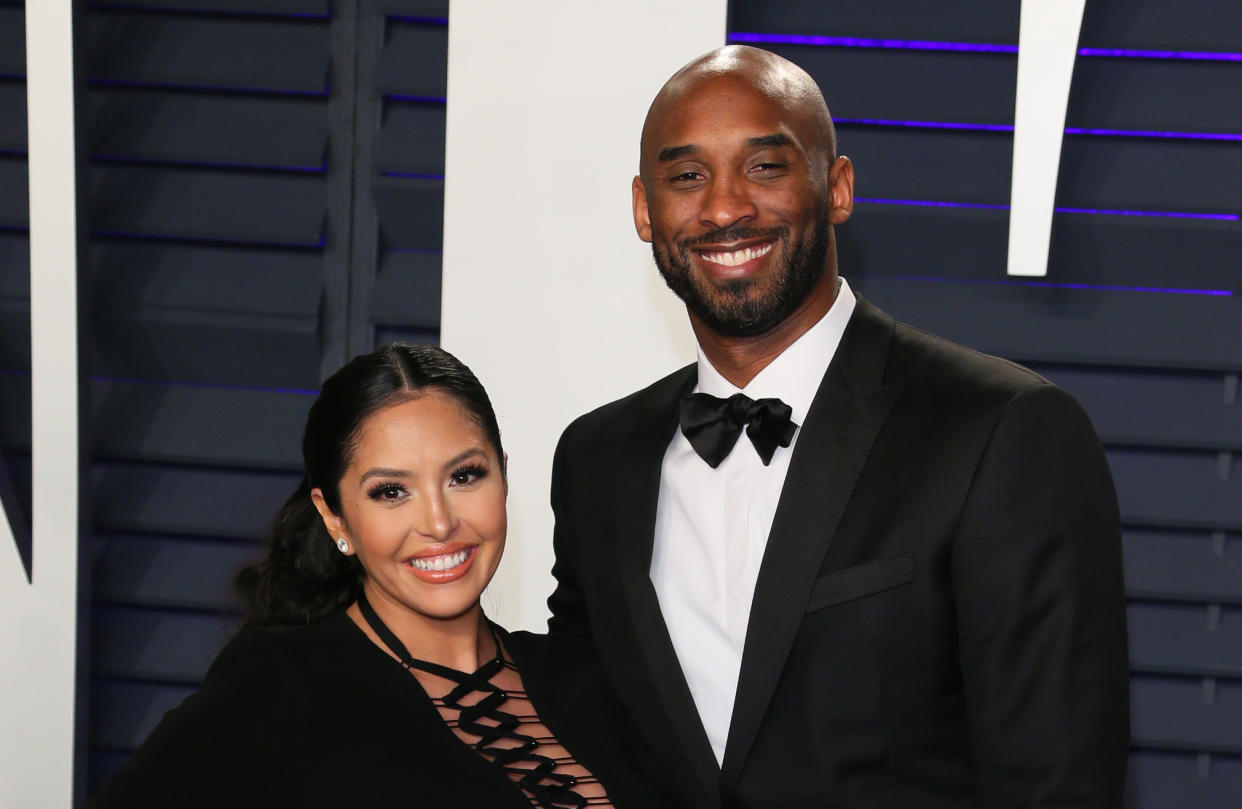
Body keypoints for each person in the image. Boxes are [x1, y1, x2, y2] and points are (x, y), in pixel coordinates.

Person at [547, 45, 1130, 809]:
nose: (724, 208)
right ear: (644, 209)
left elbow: (1056, 787)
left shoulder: (999, 432)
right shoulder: (596, 461)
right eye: (687, 176)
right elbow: (577, 747)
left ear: (838, 187)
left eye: (765, 167)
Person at [89, 344, 668, 809]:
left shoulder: (587, 675)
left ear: (504, 477)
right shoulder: (282, 684)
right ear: (334, 515)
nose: (439, 522)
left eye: (464, 477)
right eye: (391, 492)